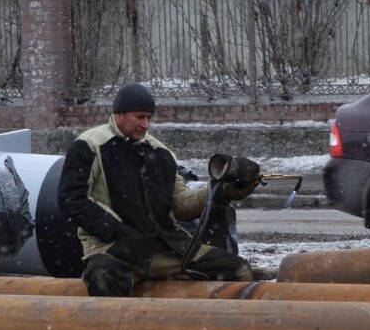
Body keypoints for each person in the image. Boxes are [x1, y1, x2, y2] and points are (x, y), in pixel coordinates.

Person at [57, 83, 259, 297]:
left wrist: (221, 191)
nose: (145, 124)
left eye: (149, 118)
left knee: (239, 271)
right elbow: (72, 200)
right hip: (113, 250)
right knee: (103, 278)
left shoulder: (161, 152)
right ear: (119, 113)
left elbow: (181, 204)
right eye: (140, 117)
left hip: (168, 249)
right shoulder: (90, 145)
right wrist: (118, 232)